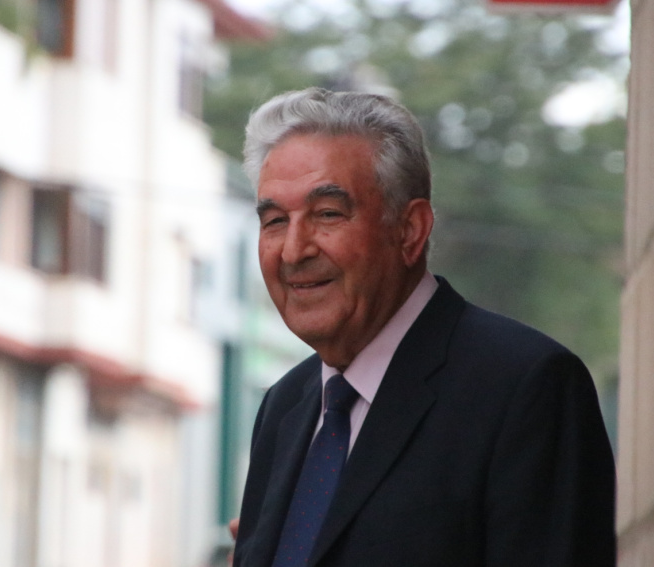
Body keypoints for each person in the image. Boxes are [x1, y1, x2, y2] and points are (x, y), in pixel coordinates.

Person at [230, 88, 615, 567]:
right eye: (274, 221)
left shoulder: (525, 387)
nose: (293, 250)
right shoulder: (285, 405)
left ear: (409, 229)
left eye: (328, 214)